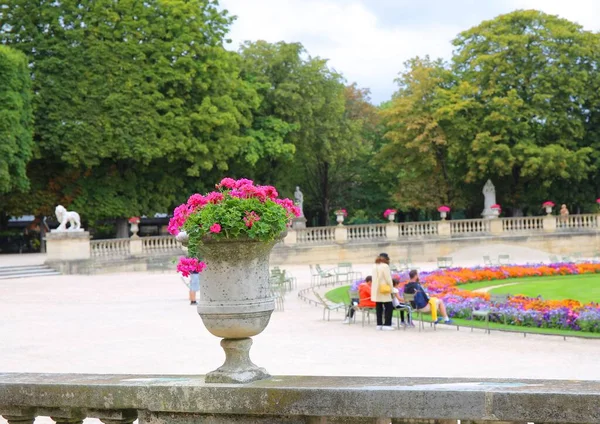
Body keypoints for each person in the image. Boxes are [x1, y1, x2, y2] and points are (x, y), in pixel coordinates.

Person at [371, 253, 395, 331]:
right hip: (384, 288)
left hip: (376, 288)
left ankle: (379, 324)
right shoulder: (385, 266)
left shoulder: (375, 266)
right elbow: (388, 279)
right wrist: (391, 288)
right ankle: (387, 324)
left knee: (379, 306)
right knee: (389, 306)